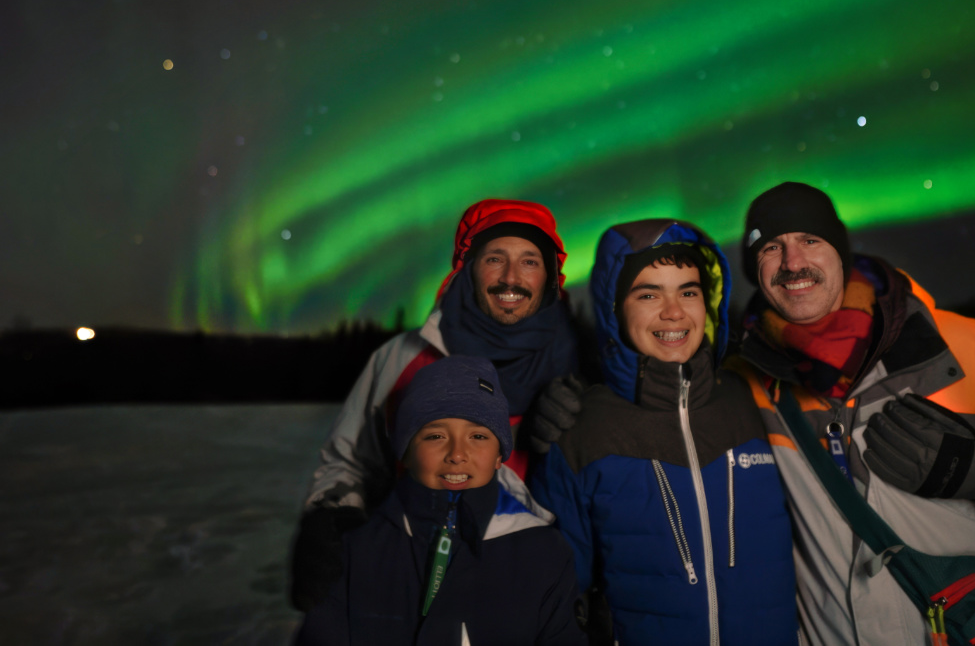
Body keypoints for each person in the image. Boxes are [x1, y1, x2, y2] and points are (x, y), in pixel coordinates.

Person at [728, 181, 975, 646]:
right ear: (755, 266)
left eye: (811, 240)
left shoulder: (957, 344)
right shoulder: (746, 382)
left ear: (841, 251)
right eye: (772, 247)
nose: (793, 263)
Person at [290, 199, 581, 611]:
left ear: (552, 276)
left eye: (530, 262)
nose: (511, 277)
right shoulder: (402, 357)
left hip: (531, 601)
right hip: (413, 593)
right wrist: (333, 519)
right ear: (467, 268)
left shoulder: (585, 365)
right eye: (495, 258)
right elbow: (350, 460)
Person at [530, 219, 800, 646]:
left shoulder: (756, 401)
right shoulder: (580, 432)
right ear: (614, 307)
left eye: (688, 292)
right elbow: (553, 597)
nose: (673, 312)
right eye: (649, 294)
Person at [296, 355, 586, 646]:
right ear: (406, 452)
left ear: (500, 455)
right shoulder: (356, 549)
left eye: (478, 436)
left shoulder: (543, 551)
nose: (457, 454)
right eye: (435, 436)